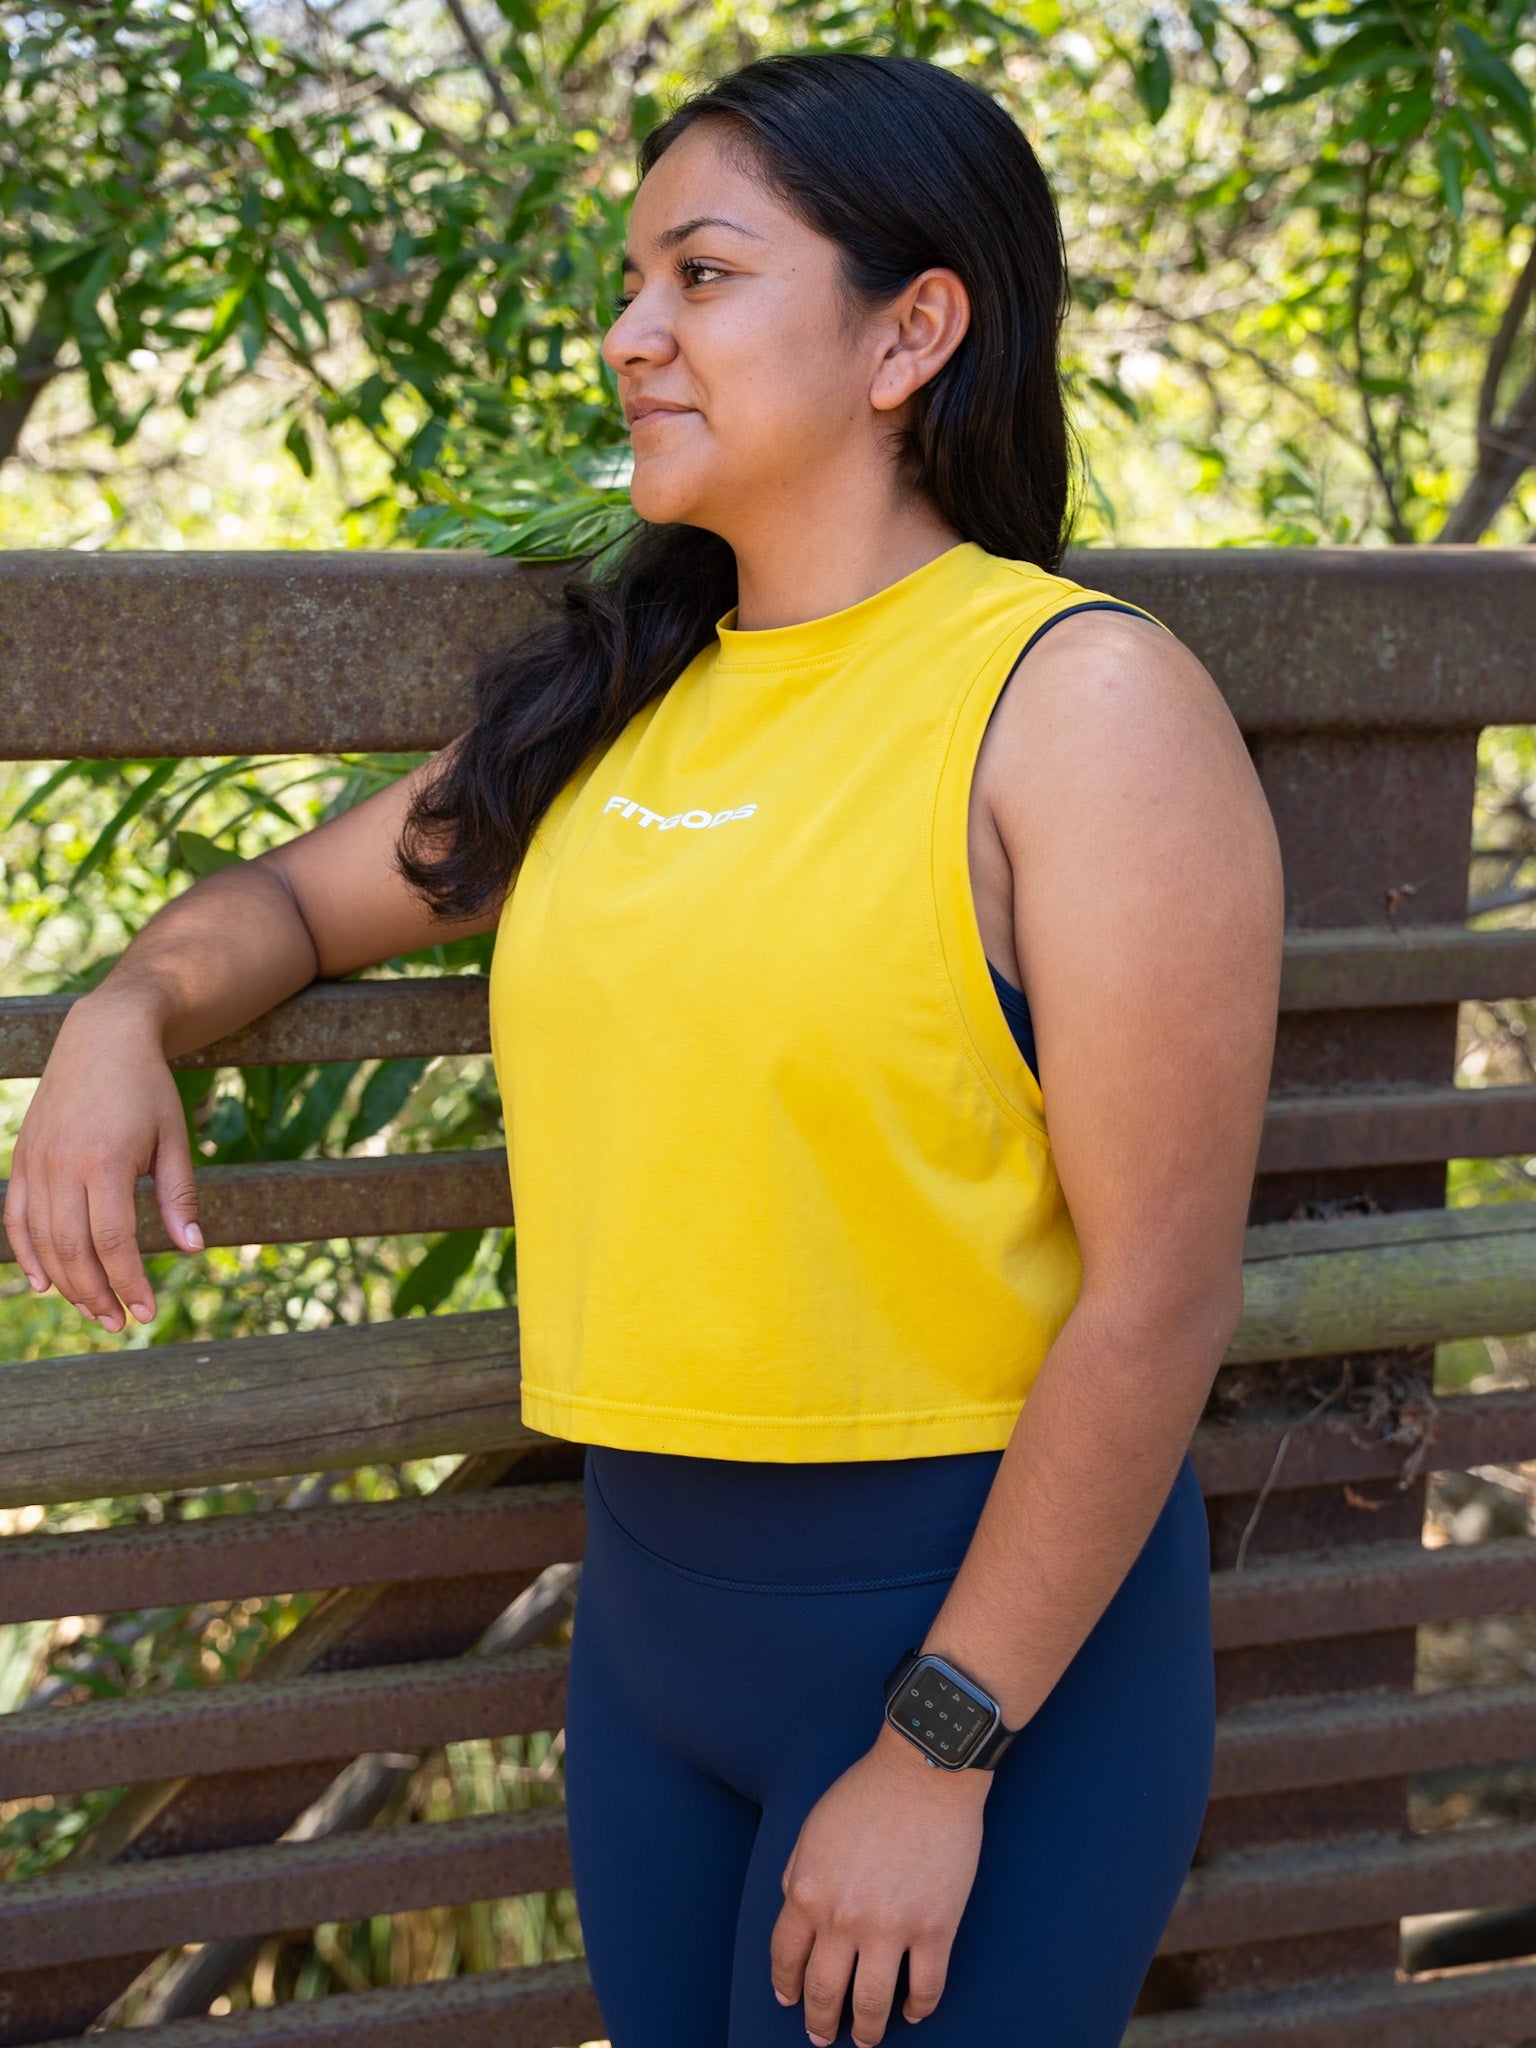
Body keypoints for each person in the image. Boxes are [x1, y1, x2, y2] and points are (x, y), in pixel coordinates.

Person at [5, 50, 1283, 2048]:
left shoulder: (1078, 699)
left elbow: (1161, 1291)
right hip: (656, 1634)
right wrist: (124, 1011)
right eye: (632, 284)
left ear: (912, 331)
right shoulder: (621, 706)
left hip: (977, 1647)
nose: (629, 336)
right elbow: (289, 904)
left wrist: (943, 1744)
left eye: (700, 277)